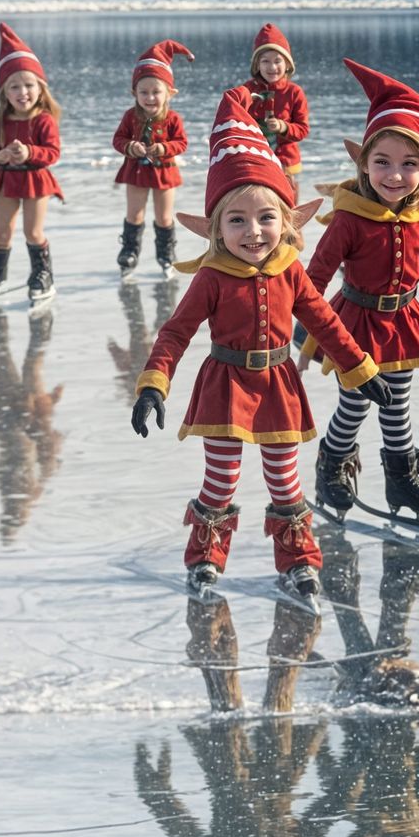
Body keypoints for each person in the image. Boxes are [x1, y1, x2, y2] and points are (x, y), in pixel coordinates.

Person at [131, 91, 390, 596]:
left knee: (285, 482)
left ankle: (299, 561)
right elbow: (176, 333)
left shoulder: (290, 270)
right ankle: (205, 557)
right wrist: (153, 386)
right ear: (216, 229)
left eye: (267, 218)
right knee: (220, 481)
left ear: (287, 222)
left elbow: (324, 322)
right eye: (237, 220)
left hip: (278, 386)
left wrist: (362, 370)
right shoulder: (211, 277)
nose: (254, 232)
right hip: (225, 386)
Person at [304, 61, 419, 520]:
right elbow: (313, 277)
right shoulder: (350, 217)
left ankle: (402, 480)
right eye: (382, 162)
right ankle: (332, 465)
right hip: (353, 325)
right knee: (356, 403)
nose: (395, 175)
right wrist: (301, 329)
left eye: (409, 164)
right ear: (364, 163)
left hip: (403, 322)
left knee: (398, 404)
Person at [0, 23, 62, 302]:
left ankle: (43, 273)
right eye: (14, 87)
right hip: (7, 181)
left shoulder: (44, 120)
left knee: (33, 231)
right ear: (4, 93)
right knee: (2, 231)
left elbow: (53, 153)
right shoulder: (1, 123)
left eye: (28, 85)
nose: (22, 92)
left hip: (35, 182)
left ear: (40, 88)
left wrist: (30, 154)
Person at [113, 41, 192, 275]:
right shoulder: (130, 116)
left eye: (156, 92)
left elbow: (182, 143)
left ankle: (166, 253)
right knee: (134, 213)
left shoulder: (173, 118)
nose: (149, 98)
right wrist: (130, 147)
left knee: (164, 216)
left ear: (170, 93)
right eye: (143, 92)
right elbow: (118, 140)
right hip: (136, 172)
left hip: (164, 172)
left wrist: (163, 149)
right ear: (134, 93)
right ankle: (130, 251)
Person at [243, 23, 309, 183]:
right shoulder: (246, 90)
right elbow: (236, 122)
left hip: (287, 164)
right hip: (255, 160)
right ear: (257, 65)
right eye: (265, 61)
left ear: (287, 64)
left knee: (288, 206)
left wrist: (283, 127)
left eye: (277, 61)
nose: (272, 67)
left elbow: (303, 129)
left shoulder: (294, 92)